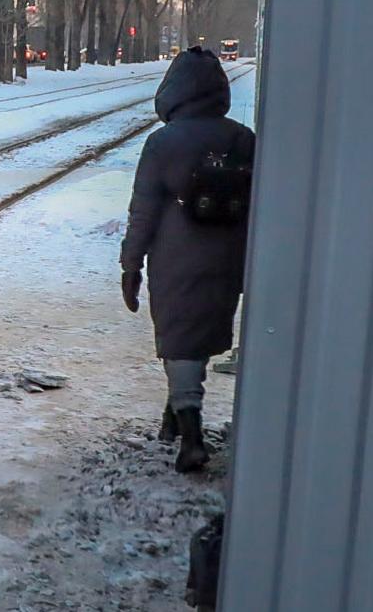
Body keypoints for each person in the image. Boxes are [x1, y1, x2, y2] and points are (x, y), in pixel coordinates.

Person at [121, 46, 254, 473]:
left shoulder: (163, 142)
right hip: (229, 256)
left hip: (176, 255)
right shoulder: (242, 138)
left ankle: (192, 436)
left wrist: (131, 265)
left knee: (179, 340)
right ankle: (172, 420)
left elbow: (143, 210)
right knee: (201, 334)